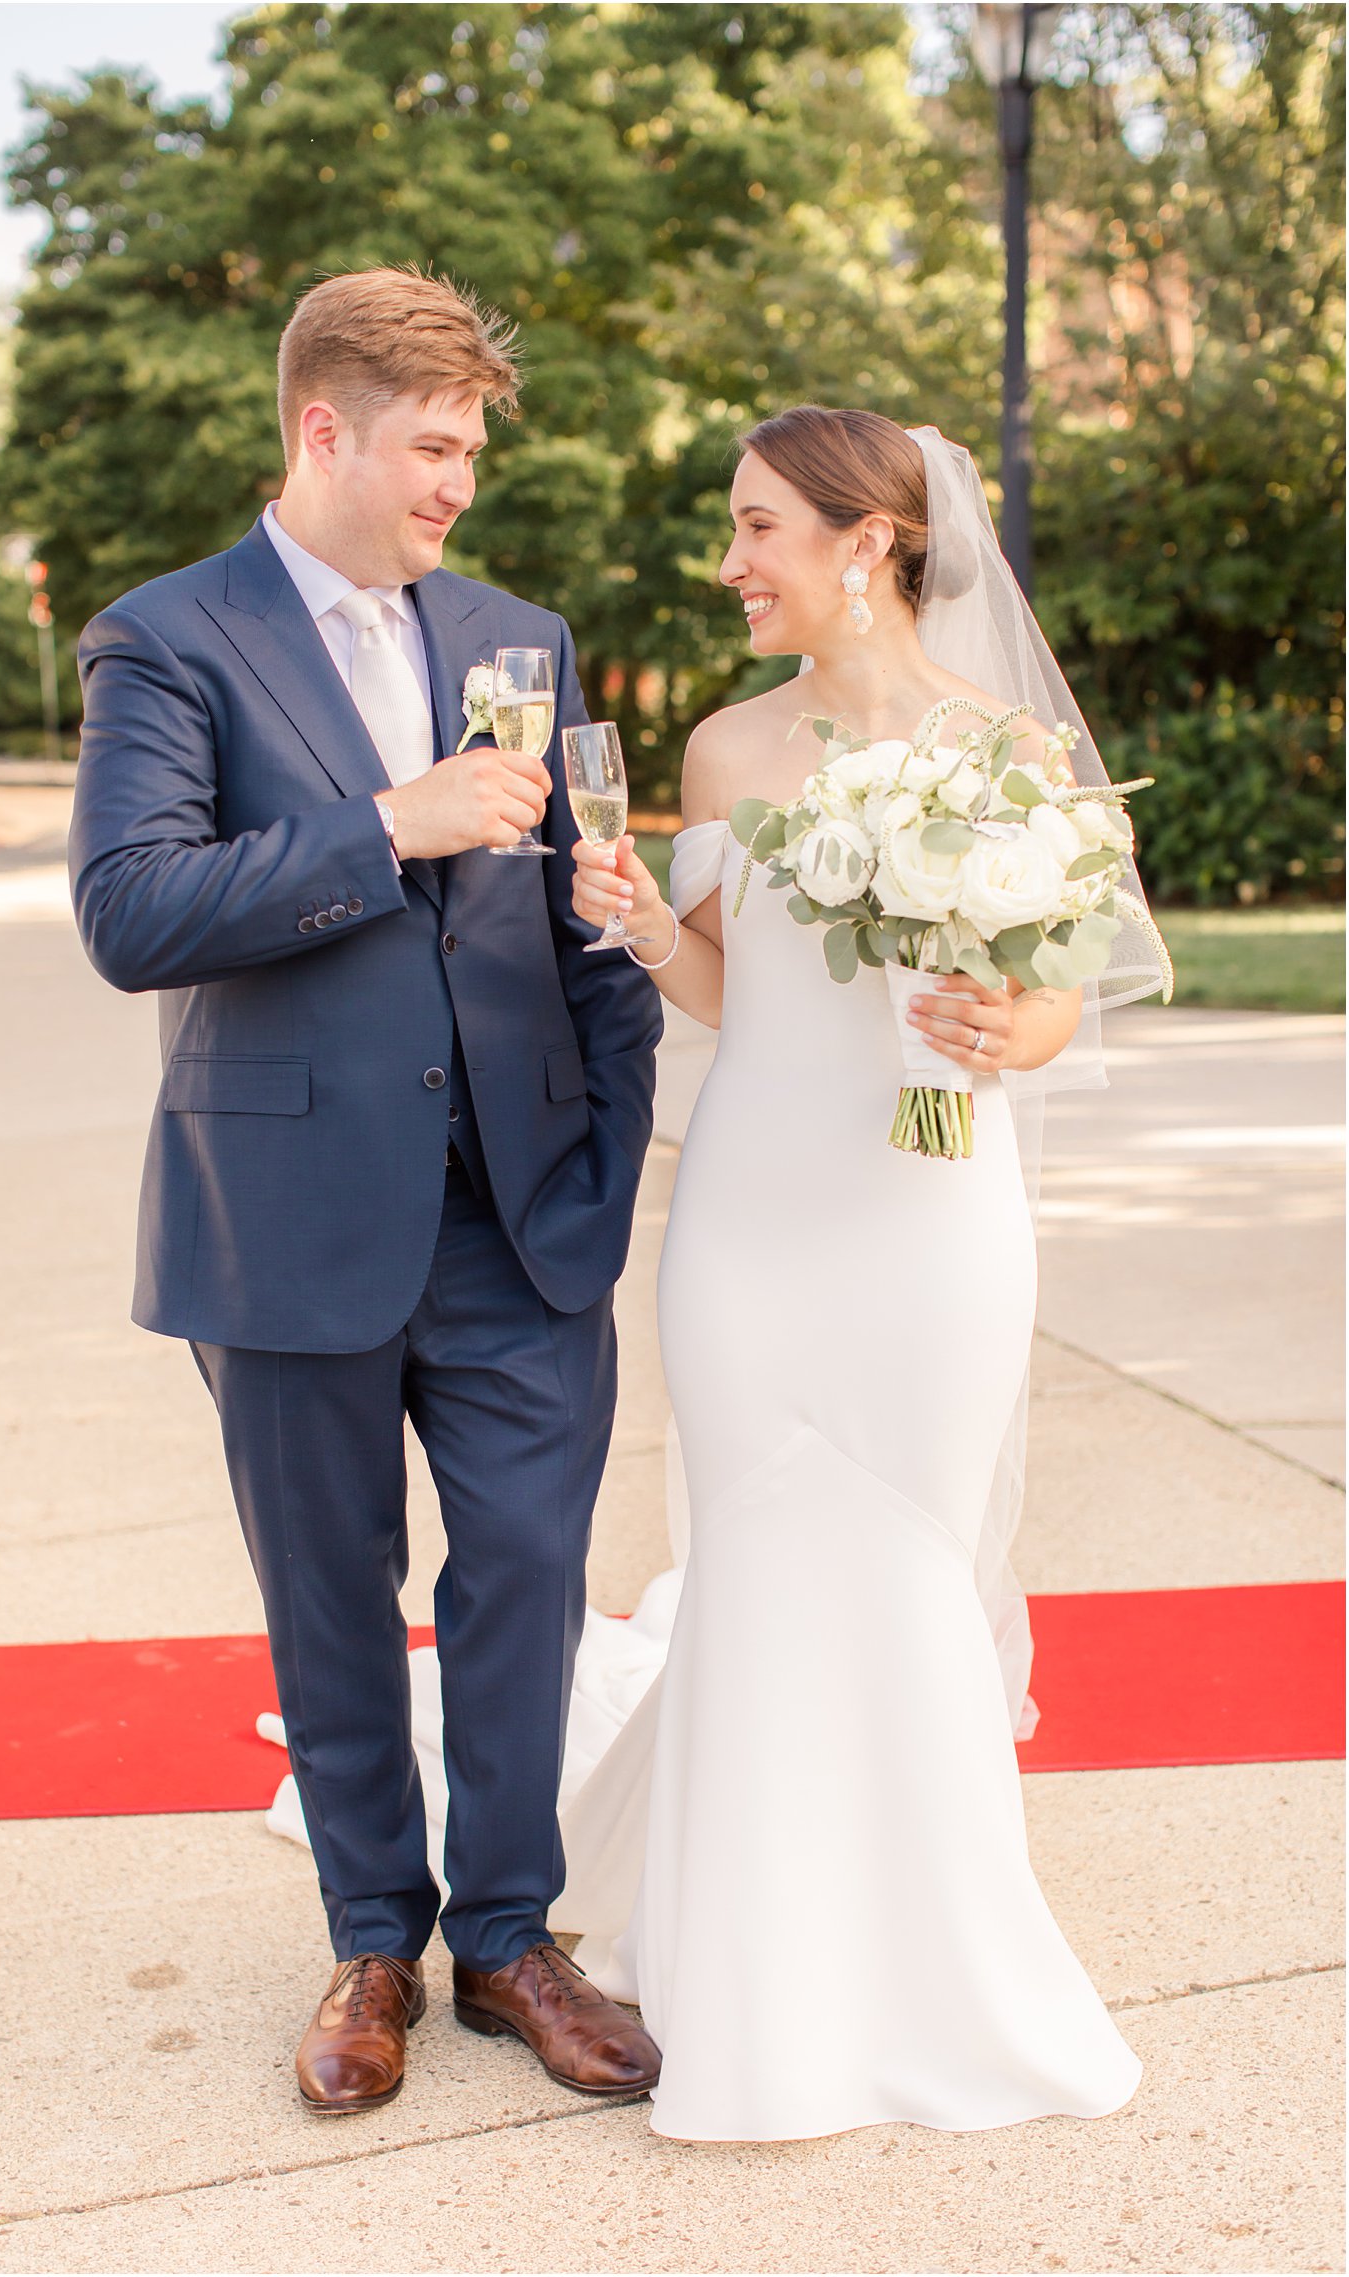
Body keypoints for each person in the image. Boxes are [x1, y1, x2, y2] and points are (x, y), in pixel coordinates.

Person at [69, 268, 663, 2116]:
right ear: (321, 428)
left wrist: (602, 1120)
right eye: (432, 445)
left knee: (531, 1578)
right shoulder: (167, 639)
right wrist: (386, 823)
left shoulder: (518, 630)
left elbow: (582, 897)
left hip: (516, 1215)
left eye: (472, 448)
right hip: (289, 1218)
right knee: (332, 1596)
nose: (457, 485)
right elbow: (132, 909)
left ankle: (509, 1934)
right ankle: (369, 1941)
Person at [565, 406, 1163, 2143]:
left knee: (909, 1555)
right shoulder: (729, 748)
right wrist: (633, 919)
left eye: (759, 528)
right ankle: (759, 1981)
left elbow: (1064, 997)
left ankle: (943, 1970)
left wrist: (1006, 1021)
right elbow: (729, 989)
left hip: (934, 1215)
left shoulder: (1016, 755)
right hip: (754, 1215)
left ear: (869, 541)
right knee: (755, 1551)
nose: (731, 562)